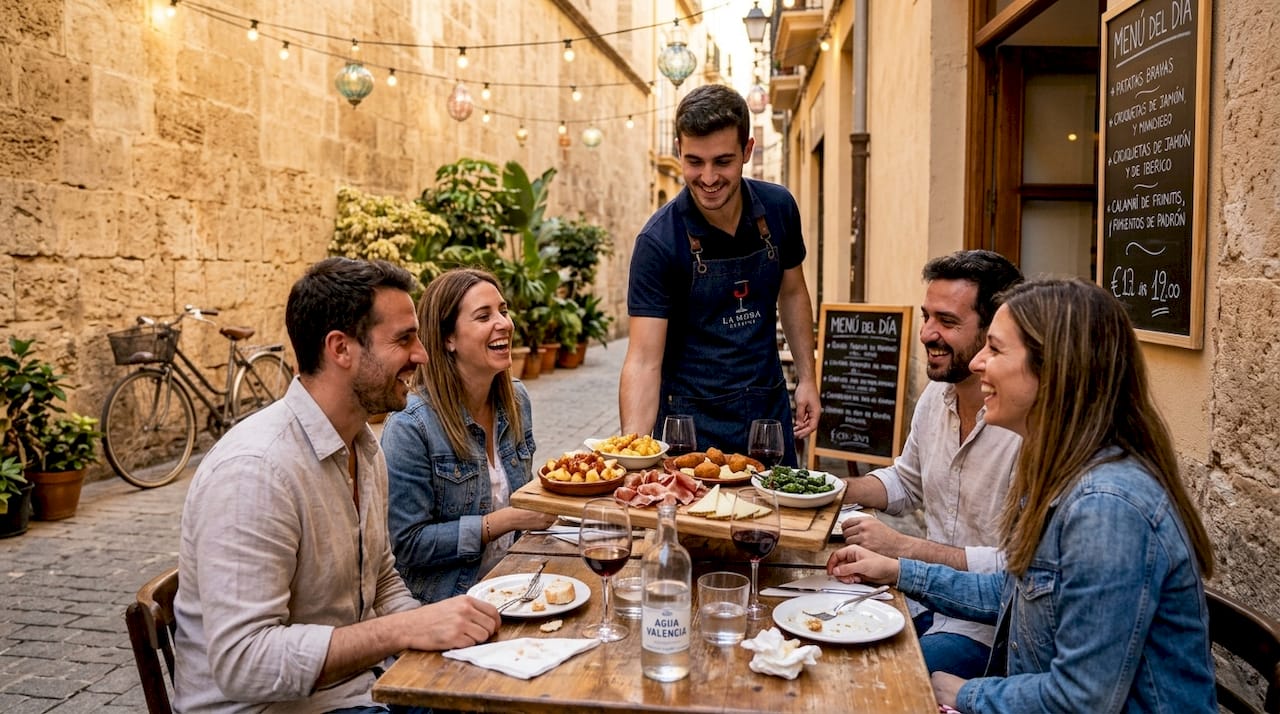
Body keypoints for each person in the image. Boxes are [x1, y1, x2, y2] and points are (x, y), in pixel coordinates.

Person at [828, 278, 1217, 712]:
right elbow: (1014, 592)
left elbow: (1081, 700)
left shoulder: (1106, 508)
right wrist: (898, 571)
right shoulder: (1059, 471)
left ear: (1053, 369)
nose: (978, 363)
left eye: (994, 349)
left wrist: (966, 694)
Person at [173, 258, 501, 714]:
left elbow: (382, 578)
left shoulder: (363, 447)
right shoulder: (255, 471)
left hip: (359, 689)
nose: (422, 355)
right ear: (340, 349)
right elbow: (243, 663)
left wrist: (439, 629)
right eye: (404, 339)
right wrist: (404, 631)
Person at [838, 249, 1024, 678]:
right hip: (923, 601)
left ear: (993, 331)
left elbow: (1017, 575)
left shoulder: (1026, 428)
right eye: (927, 317)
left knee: (877, 681)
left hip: (987, 631)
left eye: (948, 322)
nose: (926, 333)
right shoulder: (935, 396)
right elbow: (908, 481)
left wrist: (903, 550)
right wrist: (831, 490)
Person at [619, 83, 819, 465]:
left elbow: (792, 293)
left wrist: (807, 378)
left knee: (773, 522)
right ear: (679, 151)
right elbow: (643, 361)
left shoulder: (778, 209)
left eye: (722, 162)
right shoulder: (658, 241)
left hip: (766, 415)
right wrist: (635, 455)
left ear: (747, 150)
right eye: (694, 161)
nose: (708, 178)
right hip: (690, 426)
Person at [382, 268, 557, 603]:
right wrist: (499, 522)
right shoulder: (411, 425)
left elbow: (527, 501)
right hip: (446, 603)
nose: (504, 323)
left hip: (518, 585)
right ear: (449, 339)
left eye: (503, 311)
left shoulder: (516, 400)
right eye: (483, 316)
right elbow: (406, 545)